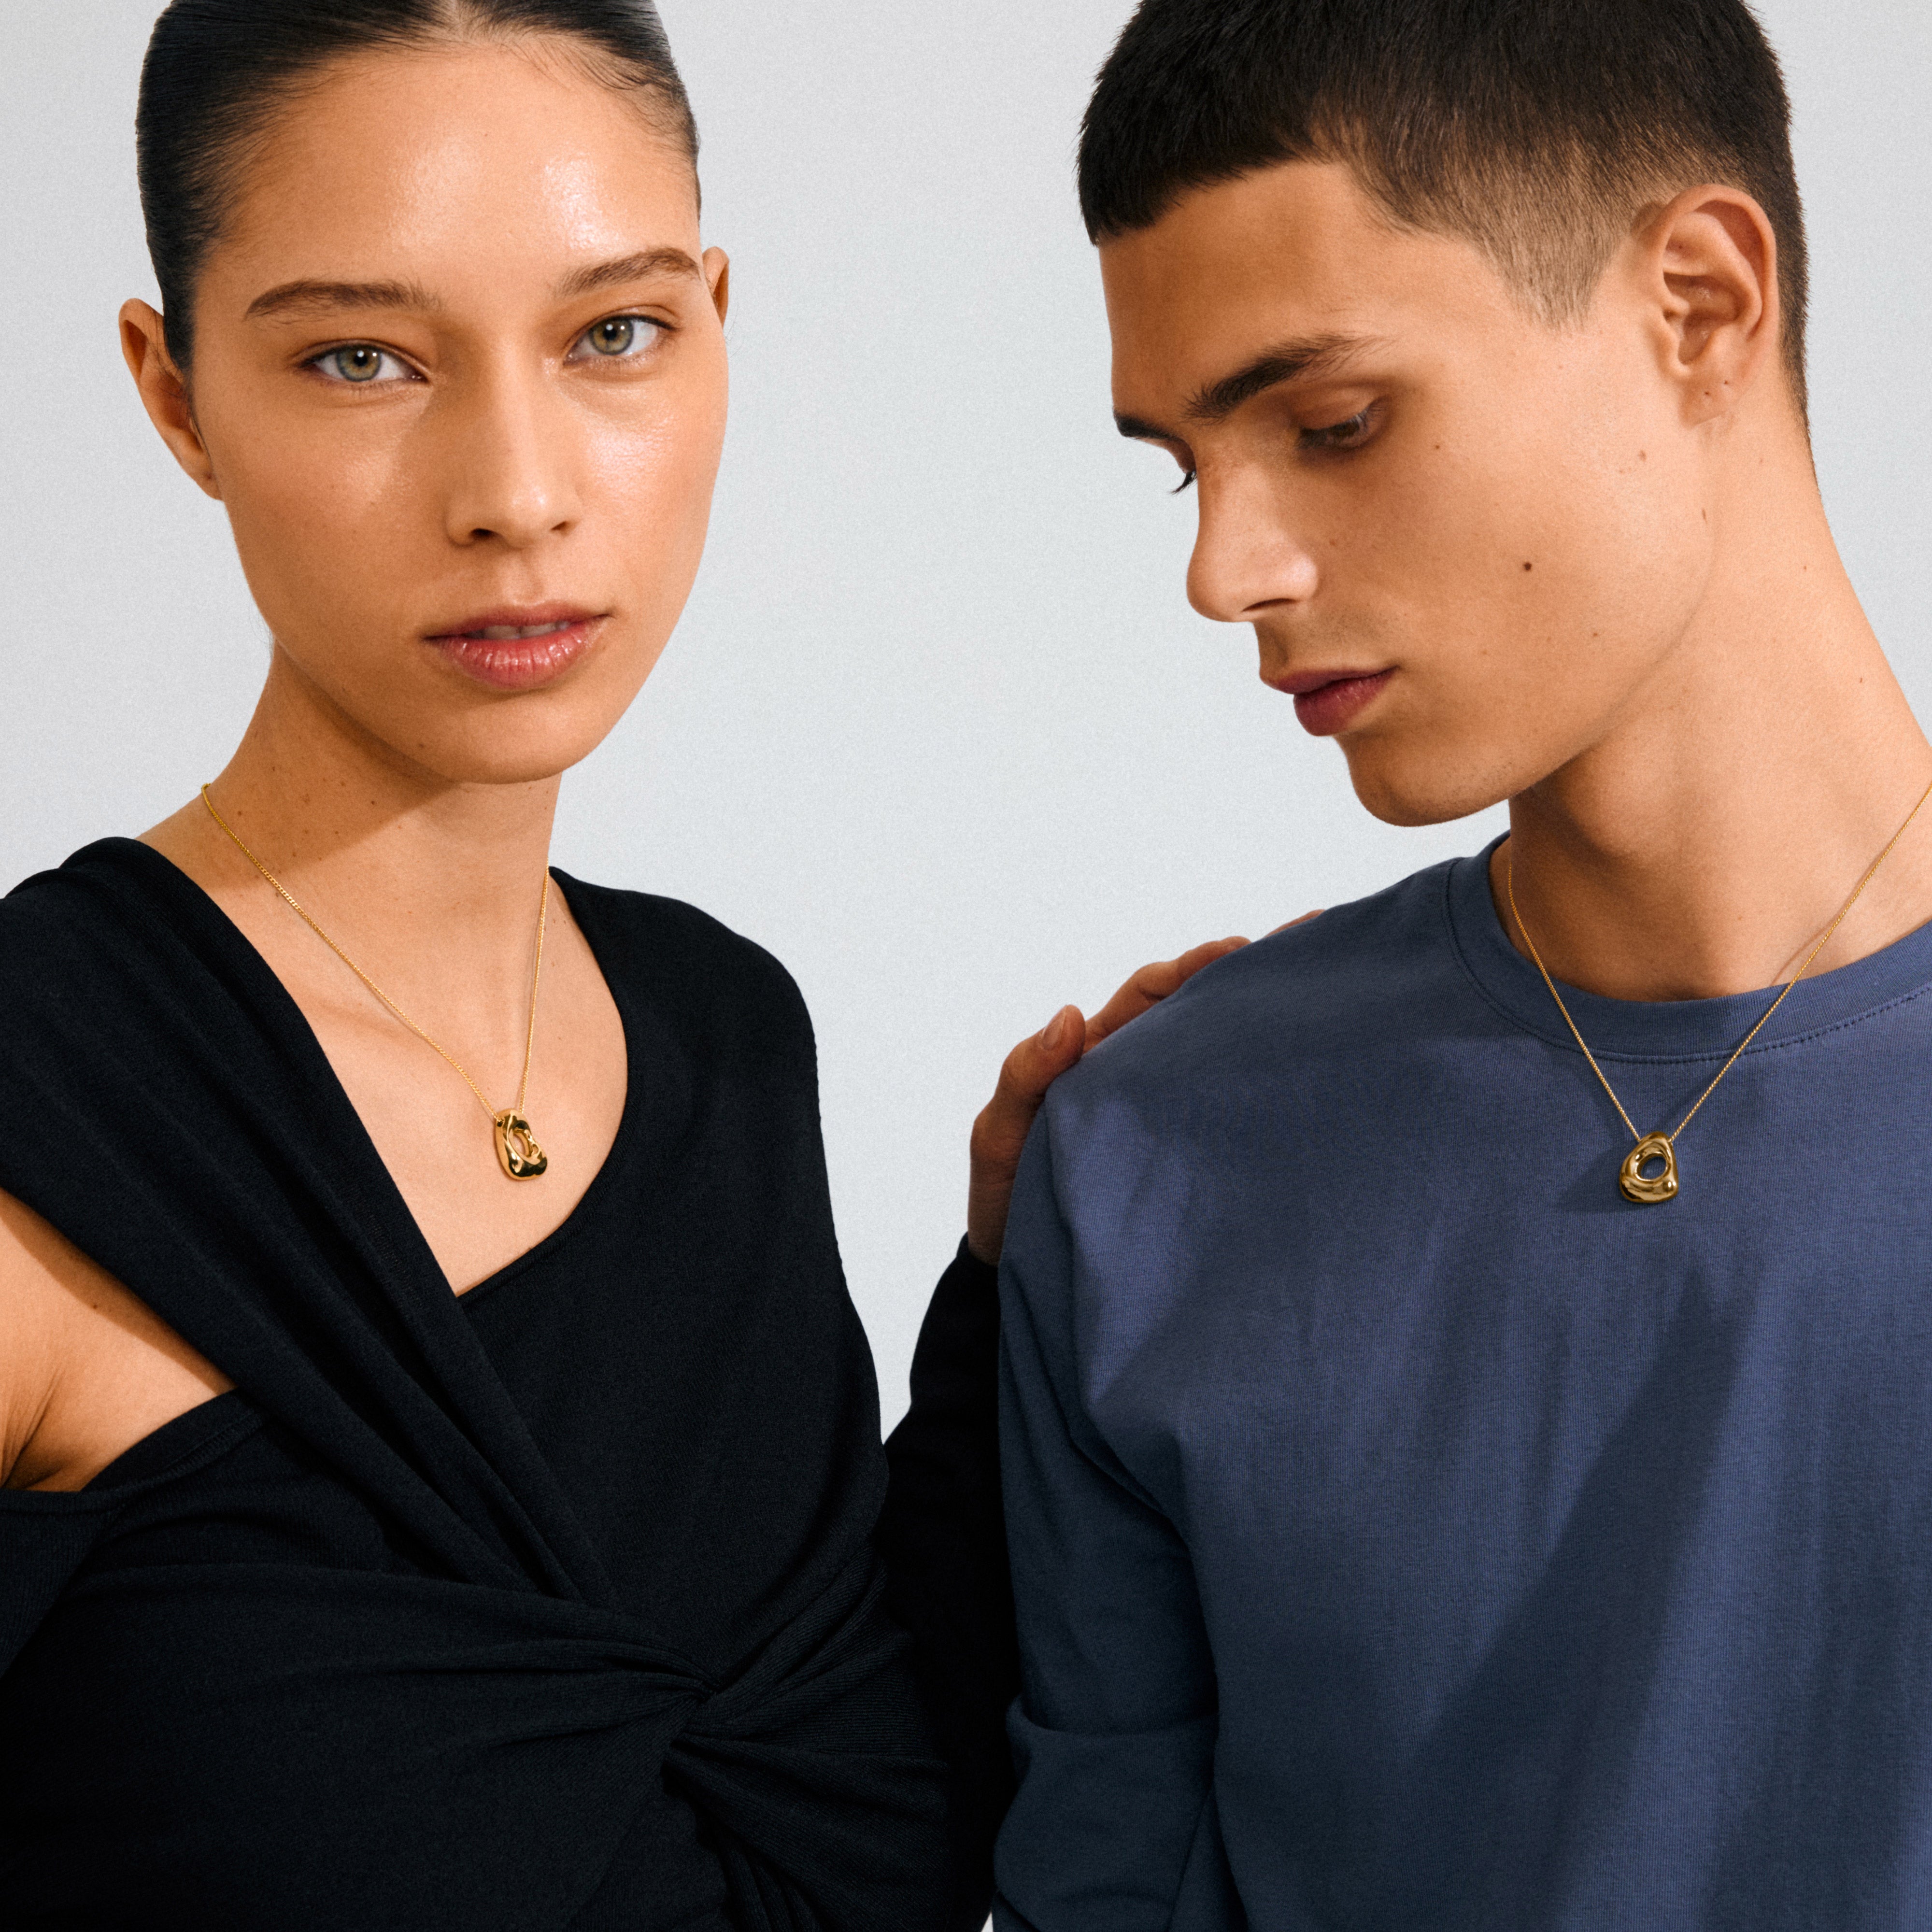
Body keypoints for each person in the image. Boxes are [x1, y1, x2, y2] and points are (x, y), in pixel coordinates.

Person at [0, 3, 1237, 1925]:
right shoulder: (42, 1116)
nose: (517, 489)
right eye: (359, 357)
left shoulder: (720, 1035)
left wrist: (1025, 1283)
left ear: (716, 323)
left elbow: (867, 1775)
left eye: (615, 334)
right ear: (176, 399)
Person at [993, 1, 1932, 1926]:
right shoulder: (1151, 1157)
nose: (1224, 571)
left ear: (1696, 304)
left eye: (1333, 424)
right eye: (1186, 466)